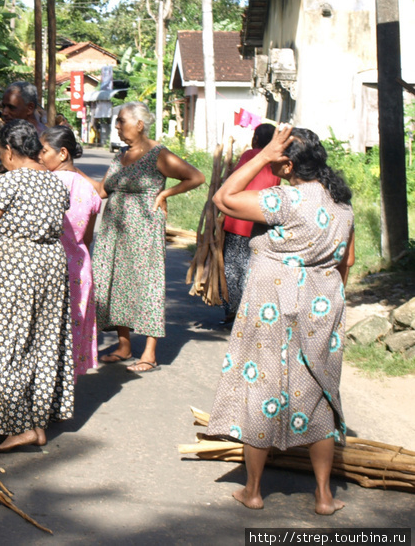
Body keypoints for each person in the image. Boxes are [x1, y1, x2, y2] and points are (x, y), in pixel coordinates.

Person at [207, 125, 354, 515]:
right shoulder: (342, 205)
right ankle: (324, 496)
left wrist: (262, 154)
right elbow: (347, 262)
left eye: (279, 161)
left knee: (263, 386)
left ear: (287, 164)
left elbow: (224, 197)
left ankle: (252, 490)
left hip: (273, 298)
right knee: (318, 393)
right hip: (322, 300)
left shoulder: (285, 200)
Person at [0, 119, 73, 452]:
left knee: (4, 342)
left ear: (9, 150)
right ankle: (37, 425)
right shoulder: (55, 183)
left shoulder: (7, 182)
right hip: (51, 266)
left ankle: (17, 424)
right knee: (41, 342)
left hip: (14, 268)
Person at [89, 101, 204, 372]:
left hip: (143, 230)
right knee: (114, 282)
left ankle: (150, 353)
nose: (116, 126)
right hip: (114, 230)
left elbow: (196, 177)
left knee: (146, 284)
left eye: (121, 121)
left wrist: (165, 193)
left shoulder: (158, 154)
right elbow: (103, 191)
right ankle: (124, 345)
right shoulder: (121, 156)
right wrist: (71, 170)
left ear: (139, 125)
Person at [39, 126, 102, 378]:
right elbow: (86, 238)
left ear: (62, 153)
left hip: (48, 266)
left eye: (44, 151)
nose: (40, 156)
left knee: (46, 331)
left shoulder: (43, 185)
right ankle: (67, 390)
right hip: (79, 267)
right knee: (72, 330)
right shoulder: (89, 188)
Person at [220, 123, 280, 326]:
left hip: (237, 219)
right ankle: (247, 312)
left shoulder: (249, 155)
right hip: (260, 222)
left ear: (255, 139)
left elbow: (235, 181)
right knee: (249, 268)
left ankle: (233, 310)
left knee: (232, 267)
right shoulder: (277, 160)